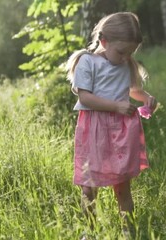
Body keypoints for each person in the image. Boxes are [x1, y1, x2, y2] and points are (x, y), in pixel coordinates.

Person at [65, 12, 158, 238]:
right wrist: (115, 107)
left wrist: (146, 99)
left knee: (123, 184)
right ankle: (90, 231)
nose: (126, 57)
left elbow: (131, 90)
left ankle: (129, 231)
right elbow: (85, 98)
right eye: (122, 52)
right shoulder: (87, 62)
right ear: (104, 41)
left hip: (121, 131)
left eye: (130, 53)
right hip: (94, 129)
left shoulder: (125, 63)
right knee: (89, 185)